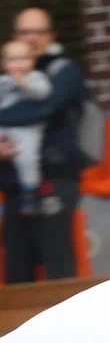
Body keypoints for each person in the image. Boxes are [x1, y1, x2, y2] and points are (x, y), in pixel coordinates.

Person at [0, 7, 89, 282]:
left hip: (55, 178)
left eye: (38, 32)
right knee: (17, 268)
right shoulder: (8, 77)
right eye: (25, 32)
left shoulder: (64, 72)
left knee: (57, 264)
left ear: (51, 36)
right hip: (14, 184)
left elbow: (38, 110)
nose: (31, 38)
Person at [0, 40, 53, 215]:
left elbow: (42, 93)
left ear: (32, 61)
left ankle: (30, 192)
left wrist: (24, 83)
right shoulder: (3, 81)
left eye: (24, 59)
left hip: (27, 129)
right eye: (13, 60)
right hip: (4, 126)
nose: (18, 64)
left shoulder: (36, 77)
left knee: (27, 158)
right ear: (4, 63)